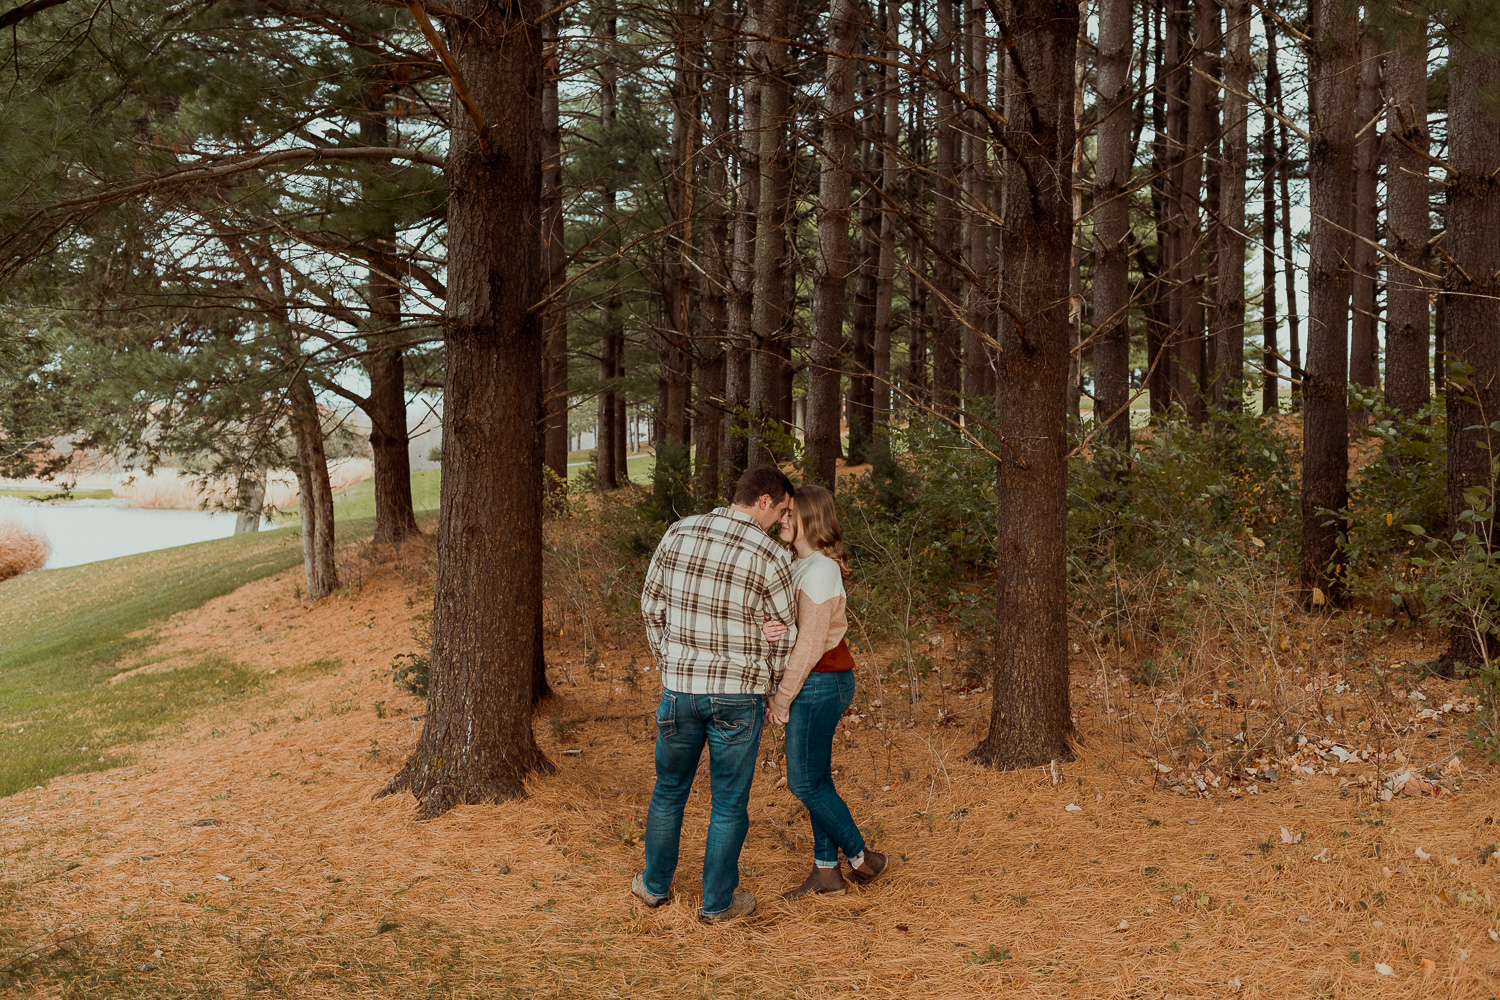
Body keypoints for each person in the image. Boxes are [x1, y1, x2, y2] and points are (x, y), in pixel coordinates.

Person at [633, 464, 799, 923]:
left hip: (680, 689)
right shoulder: (771, 555)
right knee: (728, 803)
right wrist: (771, 684)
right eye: (781, 510)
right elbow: (785, 632)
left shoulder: (679, 532)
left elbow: (650, 607)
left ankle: (653, 886)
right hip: (738, 695)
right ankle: (717, 904)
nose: (780, 521)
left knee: (669, 790)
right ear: (763, 501)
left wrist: (670, 662)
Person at [761, 484, 888, 899]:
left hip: (821, 681)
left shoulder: (820, 570)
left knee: (804, 783)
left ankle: (862, 858)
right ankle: (827, 873)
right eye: (782, 513)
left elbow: (811, 644)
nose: (781, 519)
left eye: (789, 513)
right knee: (816, 780)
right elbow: (792, 627)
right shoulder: (797, 563)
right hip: (812, 680)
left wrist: (782, 698)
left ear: (810, 518)